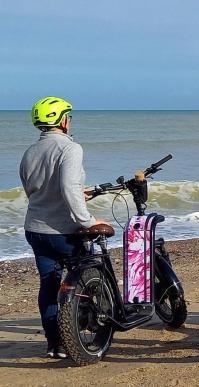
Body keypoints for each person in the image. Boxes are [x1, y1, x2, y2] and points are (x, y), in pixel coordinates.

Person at [20, 96, 106, 358]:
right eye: (68, 115)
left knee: (49, 284)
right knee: (89, 278)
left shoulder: (30, 151)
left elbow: (34, 189)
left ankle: (55, 343)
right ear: (63, 120)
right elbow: (67, 188)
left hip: (35, 229)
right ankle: (88, 330)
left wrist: (79, 193)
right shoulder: (70, 148)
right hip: (65, 231)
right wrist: (88, 221)